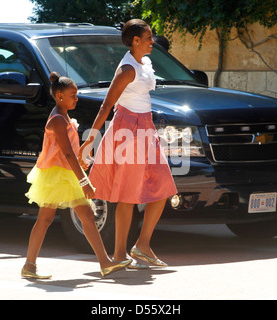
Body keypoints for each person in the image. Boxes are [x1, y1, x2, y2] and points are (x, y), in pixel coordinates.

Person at [80, 19, 177, 268]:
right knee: (127, 194)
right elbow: (106, 106)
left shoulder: (144, 62)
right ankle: (120, 253)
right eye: (148, 37)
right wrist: (89, 140)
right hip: (128, 130)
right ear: (135, 40)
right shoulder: (127, 69)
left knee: (164, 187)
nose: (152, 41)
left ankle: (142, 245)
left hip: (146, 126)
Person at [22, 72, 131, 279]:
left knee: (84, 216)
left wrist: (83, 156)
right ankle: (29, 266)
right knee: (47, 219)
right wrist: (84, 181)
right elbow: (67, 154)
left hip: (65, 173)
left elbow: (72, 152)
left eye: (76, 94)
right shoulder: (57, 120)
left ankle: (104, 263)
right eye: (73, 95)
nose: (76, 98)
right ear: (60, 96)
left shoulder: (64, 117)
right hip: (57, 175)